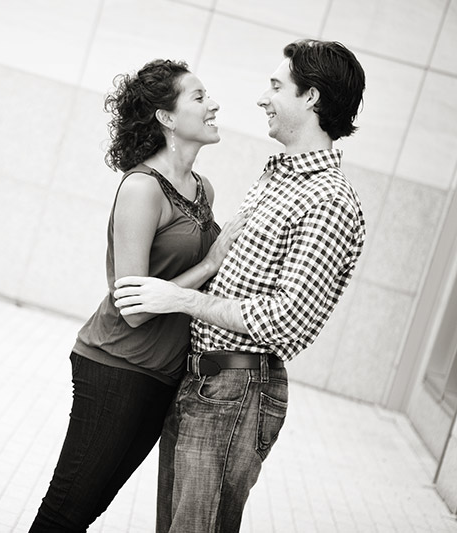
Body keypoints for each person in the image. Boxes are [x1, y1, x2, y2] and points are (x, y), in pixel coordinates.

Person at [113, 39, 367, 532]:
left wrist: (182, 298)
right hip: (206, 383)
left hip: (237, 390)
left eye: (277, 86)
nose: (262, 98)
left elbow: (284, 320)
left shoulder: (330, 199)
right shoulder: (280, 178)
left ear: (311, 97)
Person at [29, 59, 245, 532]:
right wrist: (211, 263)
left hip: (162, 377)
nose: (214, 105)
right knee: (67, 508)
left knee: (88, 508)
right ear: (167, 118)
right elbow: (132, 307)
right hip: (115, 366)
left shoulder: (202, 190)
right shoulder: (143, 188)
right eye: (199, 97)